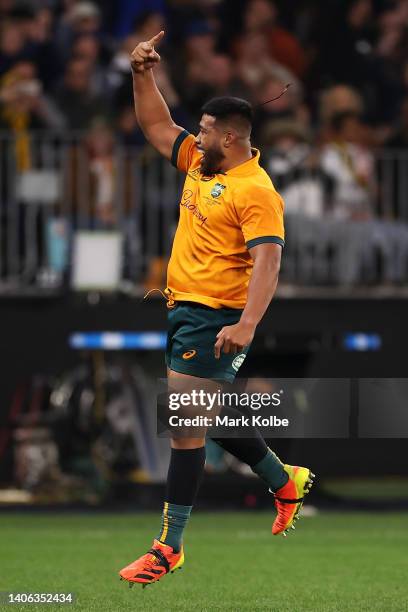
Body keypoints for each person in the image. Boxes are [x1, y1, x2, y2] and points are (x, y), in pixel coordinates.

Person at [118, 31, 314, 588]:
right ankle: (284, 480)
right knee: (199, 412)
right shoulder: (204, 166)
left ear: (229, 137)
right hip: (183, 309)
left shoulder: (256, 191)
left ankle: (167, 548)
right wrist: (141, 74)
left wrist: (246, 323)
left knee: (184, 424)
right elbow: (157, 126)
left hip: (216, 317)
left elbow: (269, 263)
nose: (192, 135)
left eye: (202, 130)